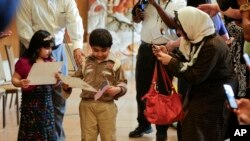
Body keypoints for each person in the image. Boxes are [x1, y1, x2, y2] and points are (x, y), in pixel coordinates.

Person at [148, 3, 238, 140]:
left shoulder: (212, 45)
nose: (178, 33)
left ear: (191, 25)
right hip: (203, 88)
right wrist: (167, 54)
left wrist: (170, 61)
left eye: (180, 28)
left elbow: (194, 75)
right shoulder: (195, 39)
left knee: (199, 126)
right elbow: (185, 61)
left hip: (217, 93)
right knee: (187, 123)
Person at [16, 0, 84, 140]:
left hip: (57, 48)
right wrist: (39, 52)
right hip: (32, 49)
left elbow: (74, 22)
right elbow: (24, 29)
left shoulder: (67, 1)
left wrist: (77, 46)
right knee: (35, 98)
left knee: (59, 98)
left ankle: (56, 137)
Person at [129, 0, 186, 140]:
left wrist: (155, 5)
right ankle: (143, 123)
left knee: (163, 90)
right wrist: (137, 14)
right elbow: (136, 19)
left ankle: (162, 129)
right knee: (142, 90)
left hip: (167, 50)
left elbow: (173, 24)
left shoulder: (179, 2)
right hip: (145, 48)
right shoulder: (146, 1)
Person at [61, 28, 127, 141]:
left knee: (108, 137)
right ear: (90, 47)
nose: (99, 54)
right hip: (87, 106)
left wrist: (118, 89)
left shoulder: (116, 63)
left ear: (110, 48)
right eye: (95, 50)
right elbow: (74, 79)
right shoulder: (85, 62)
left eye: (104, 50)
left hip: (107, 106)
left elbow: (123, 83)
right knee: (87, 137)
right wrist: (66, 85)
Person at [12, 30, 58, 140]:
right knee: (31, 131)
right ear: (37, 47)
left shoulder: (50, 61)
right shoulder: (24, 62)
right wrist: (20, 83)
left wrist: (58, 79)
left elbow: (54, 84)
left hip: (47, 106)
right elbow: (14, 79)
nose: (50, 51)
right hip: (30, 107)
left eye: (51, 48)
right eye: (47, 48)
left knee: (47, 130)